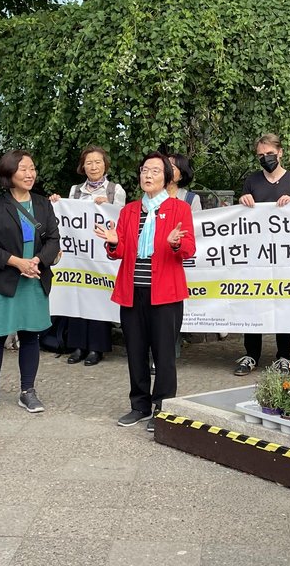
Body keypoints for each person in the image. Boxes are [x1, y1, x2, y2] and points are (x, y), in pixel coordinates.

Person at [95, 151, 196, 431]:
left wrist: (175, 242)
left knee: (164, 355)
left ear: (166, 177)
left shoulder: (179, 209)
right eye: (144, 170)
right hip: (132, 292)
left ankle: (163, 408)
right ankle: (139, 405)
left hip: (165, 294)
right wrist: (114, 242)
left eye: (154, 171)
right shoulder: (129, 211)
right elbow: (121, 252)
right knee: (136, 352)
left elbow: (188, 250)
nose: (147, 175)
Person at [0, 150, 60, 416]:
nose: (29, 174)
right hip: (3, 280)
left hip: (34, 279)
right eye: (23, 169)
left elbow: (54, 240)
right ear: (9, 173)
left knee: (30, 336)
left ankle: (28, 391)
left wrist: (36, 261)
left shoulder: (43, 204)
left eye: (32, 168)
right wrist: (18, 262)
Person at [234, 133, 290, 375]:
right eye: (260, 155)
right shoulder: (252, 181)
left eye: (269, 154)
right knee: (255, 301)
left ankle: (284, 356)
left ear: (280, 152)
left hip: (286, 255)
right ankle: (251, 354)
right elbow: (240, 217)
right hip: (257, 254)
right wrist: (242, 200)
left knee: (283, 302)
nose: (265, 159)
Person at [60, 145, 126, 367]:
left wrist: (107, 206)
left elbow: (121, 218)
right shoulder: (75, 190)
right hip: (80, 253)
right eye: (89, 162)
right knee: (78, 294)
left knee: (98, 297)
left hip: (103, 254)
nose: (93, 166)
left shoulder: (115, 190)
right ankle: (78, 346)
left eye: (97, 161)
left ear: (105, 164)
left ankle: (96, 348)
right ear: (83, 166)